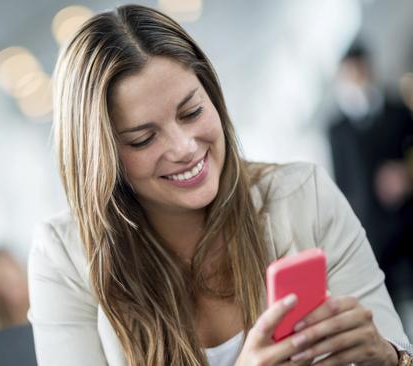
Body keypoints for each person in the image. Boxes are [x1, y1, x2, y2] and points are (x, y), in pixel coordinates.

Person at [28, 4, 413, 366]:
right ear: (100, 159)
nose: (185, 148)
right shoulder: (66, 258)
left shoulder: (303, 198)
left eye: (192, 112)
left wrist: (389, 356)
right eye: (143, 139)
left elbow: (397, 349)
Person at [328, 41, 413, 300]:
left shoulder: (398, 112)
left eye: (361, 70)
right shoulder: (337, 130)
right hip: (372, 235)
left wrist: (406, 176)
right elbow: (342, 183)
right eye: (351, 73)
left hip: (408, 222)